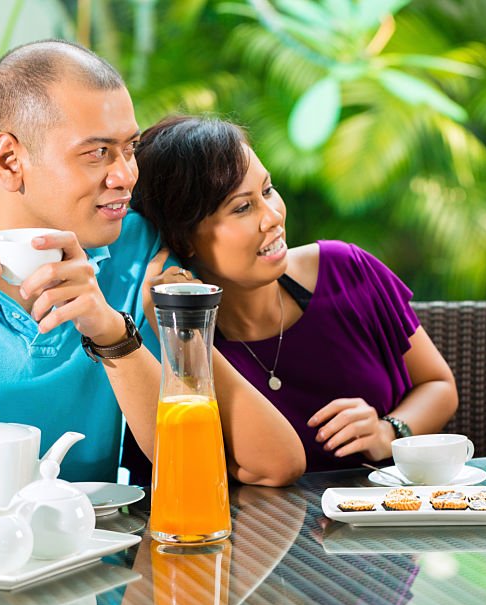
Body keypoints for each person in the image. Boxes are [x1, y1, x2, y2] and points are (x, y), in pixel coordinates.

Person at [0, 40, 304, 507]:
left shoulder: (136, 249)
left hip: (90, 561)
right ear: (9, 160)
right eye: (97, 153)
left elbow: (274, 463)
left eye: (129, 148)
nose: (126, 175)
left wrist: (113, 334)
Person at [127, 115, 458, 473]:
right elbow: (202, 471)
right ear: (182, 240)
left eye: (267, 190)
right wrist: (184, 329)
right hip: (265, 529)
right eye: (242, 207)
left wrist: (388, 432)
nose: (273, 217)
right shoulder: (163, 348)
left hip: (388, 515)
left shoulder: (347, 270)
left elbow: (438, 385)